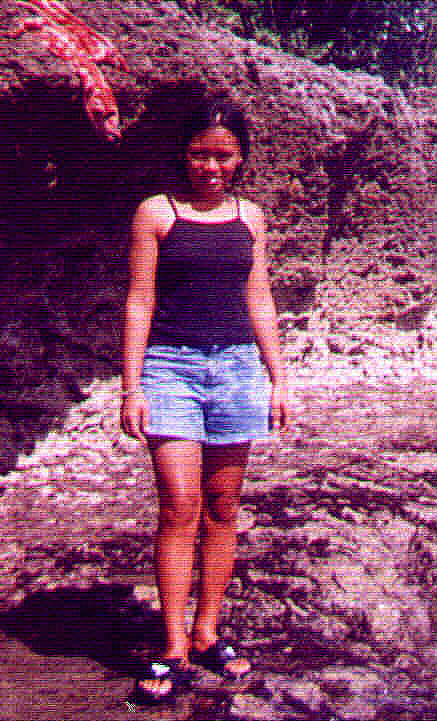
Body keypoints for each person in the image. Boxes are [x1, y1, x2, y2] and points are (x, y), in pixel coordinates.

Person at [121, 92, 289, 702]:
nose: (211, 167)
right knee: (179, 504)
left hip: (238, 369)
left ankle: (207, 632)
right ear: (183, 153)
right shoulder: (156, 213)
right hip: (170, 369)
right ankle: (171, 646)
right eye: (199, 154)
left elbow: (259, 297)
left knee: (223, 506)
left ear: (240, 158)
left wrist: (278, 377)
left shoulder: (251, 218)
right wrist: (132, 388)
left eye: (223, 155)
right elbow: (140, 299)